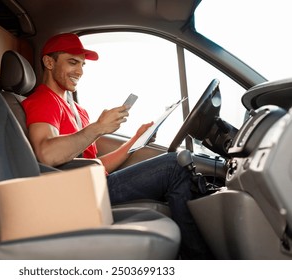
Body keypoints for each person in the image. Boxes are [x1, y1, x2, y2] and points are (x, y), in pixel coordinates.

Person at [21, 33, 213, 259]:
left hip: (95, 183)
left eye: (82, 64)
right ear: (49, 62)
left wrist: (135, 140)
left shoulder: (77, 110)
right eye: (72, 62)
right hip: (77, 194)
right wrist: (98, 128)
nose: (80, 71)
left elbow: (96, 165)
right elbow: (46, 153)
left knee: (176, 164)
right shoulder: (43, 100)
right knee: (174, 165)